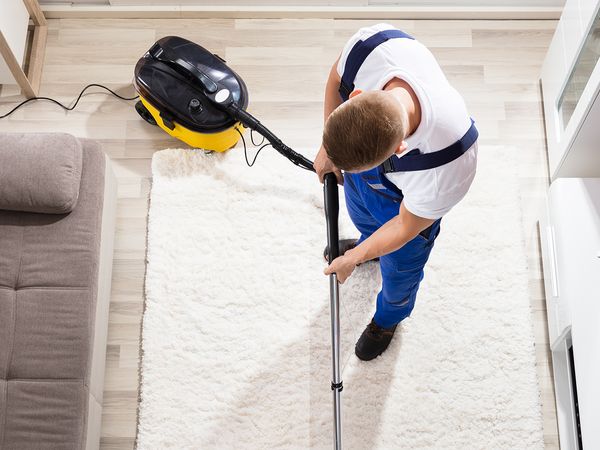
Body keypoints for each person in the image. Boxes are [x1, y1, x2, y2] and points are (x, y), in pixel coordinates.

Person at [314, 23, 478, 361]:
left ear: (398, 149)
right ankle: (369, 245)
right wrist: (327, 148)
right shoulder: (371, 48)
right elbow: (336, 75)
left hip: (408, 208)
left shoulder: (448, 165)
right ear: (357, 96)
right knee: (363, 219)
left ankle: (386, 321)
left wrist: (352, 259)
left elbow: (405, 226)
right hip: (375, 177)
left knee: (400, 274)